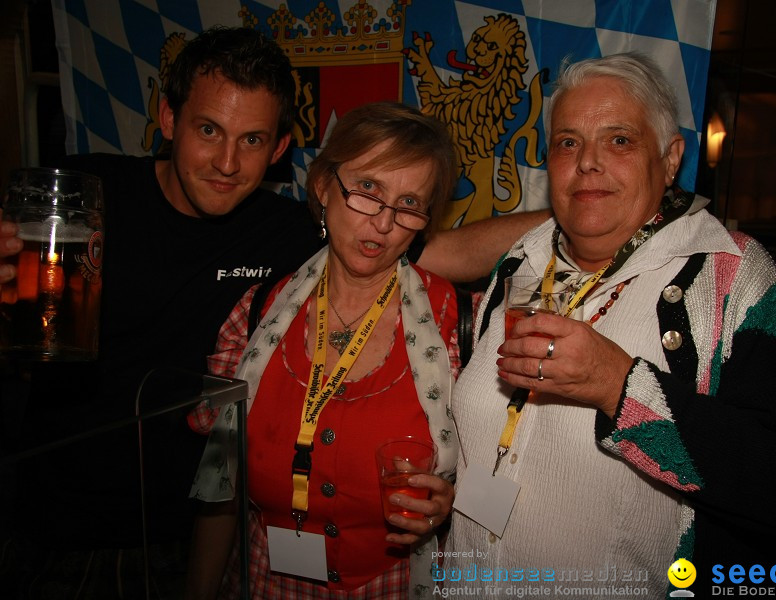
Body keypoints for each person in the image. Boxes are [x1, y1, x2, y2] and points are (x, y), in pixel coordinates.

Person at [0, 26, 546, 597]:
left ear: (280, 149)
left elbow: (434, 250)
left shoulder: (306, 240)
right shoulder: (89, 198)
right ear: (168, 119)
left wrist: (583, 226)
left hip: (178, 535)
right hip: (56, 521)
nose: (227, 162)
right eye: (208, 130)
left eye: (253, 139)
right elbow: (224, 479)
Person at [443, 53, 776, 596]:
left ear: (670, 158)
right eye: (568, 142)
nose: (587, 163)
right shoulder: (521, 260)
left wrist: (621, 387)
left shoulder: (729, 274)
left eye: (619, 140)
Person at [186, 101, 461, 599]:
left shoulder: (452, 322)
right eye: (368, 190)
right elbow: (219, 487)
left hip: (394, 584)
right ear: (322, 186)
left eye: (409, 204)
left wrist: (454, 502)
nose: (382, 222)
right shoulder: (254, 316)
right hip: (265, 579)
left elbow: (504, 475)